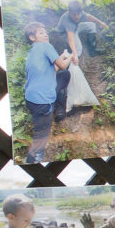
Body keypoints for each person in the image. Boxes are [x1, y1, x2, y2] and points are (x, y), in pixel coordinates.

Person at [22, 22, 72, 164]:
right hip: (43, 100)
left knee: (64, 75)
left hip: (31, 98)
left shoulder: (33, 51)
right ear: (32, 37)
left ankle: (57, 106)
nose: (46, 35)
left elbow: (52, 71)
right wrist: (71, 56)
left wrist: (61, 56)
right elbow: (62, 65)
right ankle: (33, 159)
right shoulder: (46, 47)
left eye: (46, 32)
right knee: (42, 133)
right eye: (41, 33)